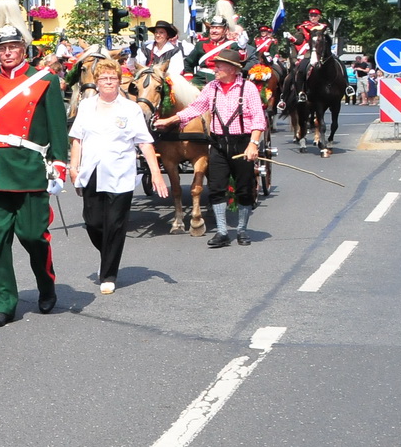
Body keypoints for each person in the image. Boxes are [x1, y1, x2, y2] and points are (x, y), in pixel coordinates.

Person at [0, 0, 71, 327]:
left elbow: (57, 126)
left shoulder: (44, 81)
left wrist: (59, 165)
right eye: (3, 48)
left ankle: (46, 283)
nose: (8, 52)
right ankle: (2, 302)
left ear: (24, 48)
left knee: (32, 235)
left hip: (31, 164)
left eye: (14, 46)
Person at [67, 59, 168, 294]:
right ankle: (108, 250)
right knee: (92, 222)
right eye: (104, 79)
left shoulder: (130, 109)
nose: (109, 82)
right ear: (97, 82)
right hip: (91, 171)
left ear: (119, 81)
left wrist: (156, 173)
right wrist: (73, 167)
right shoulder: (86, 106)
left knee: (115, 223)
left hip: (119, 174)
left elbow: (144, 143)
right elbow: (77, 139)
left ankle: (108, 274)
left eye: (113, 78)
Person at [155, 45, 266, 247]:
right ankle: (223, 232)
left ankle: (241, 229)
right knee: (216, 188)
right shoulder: (211, 87)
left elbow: (258, 119)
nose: (215, 69)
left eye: (219, 66)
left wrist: (253, 144)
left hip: (242, 143)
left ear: (233, 69)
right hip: (217, 143)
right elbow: (196, 108)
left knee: (243, 189)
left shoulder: (247, 88)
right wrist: (170, 120)